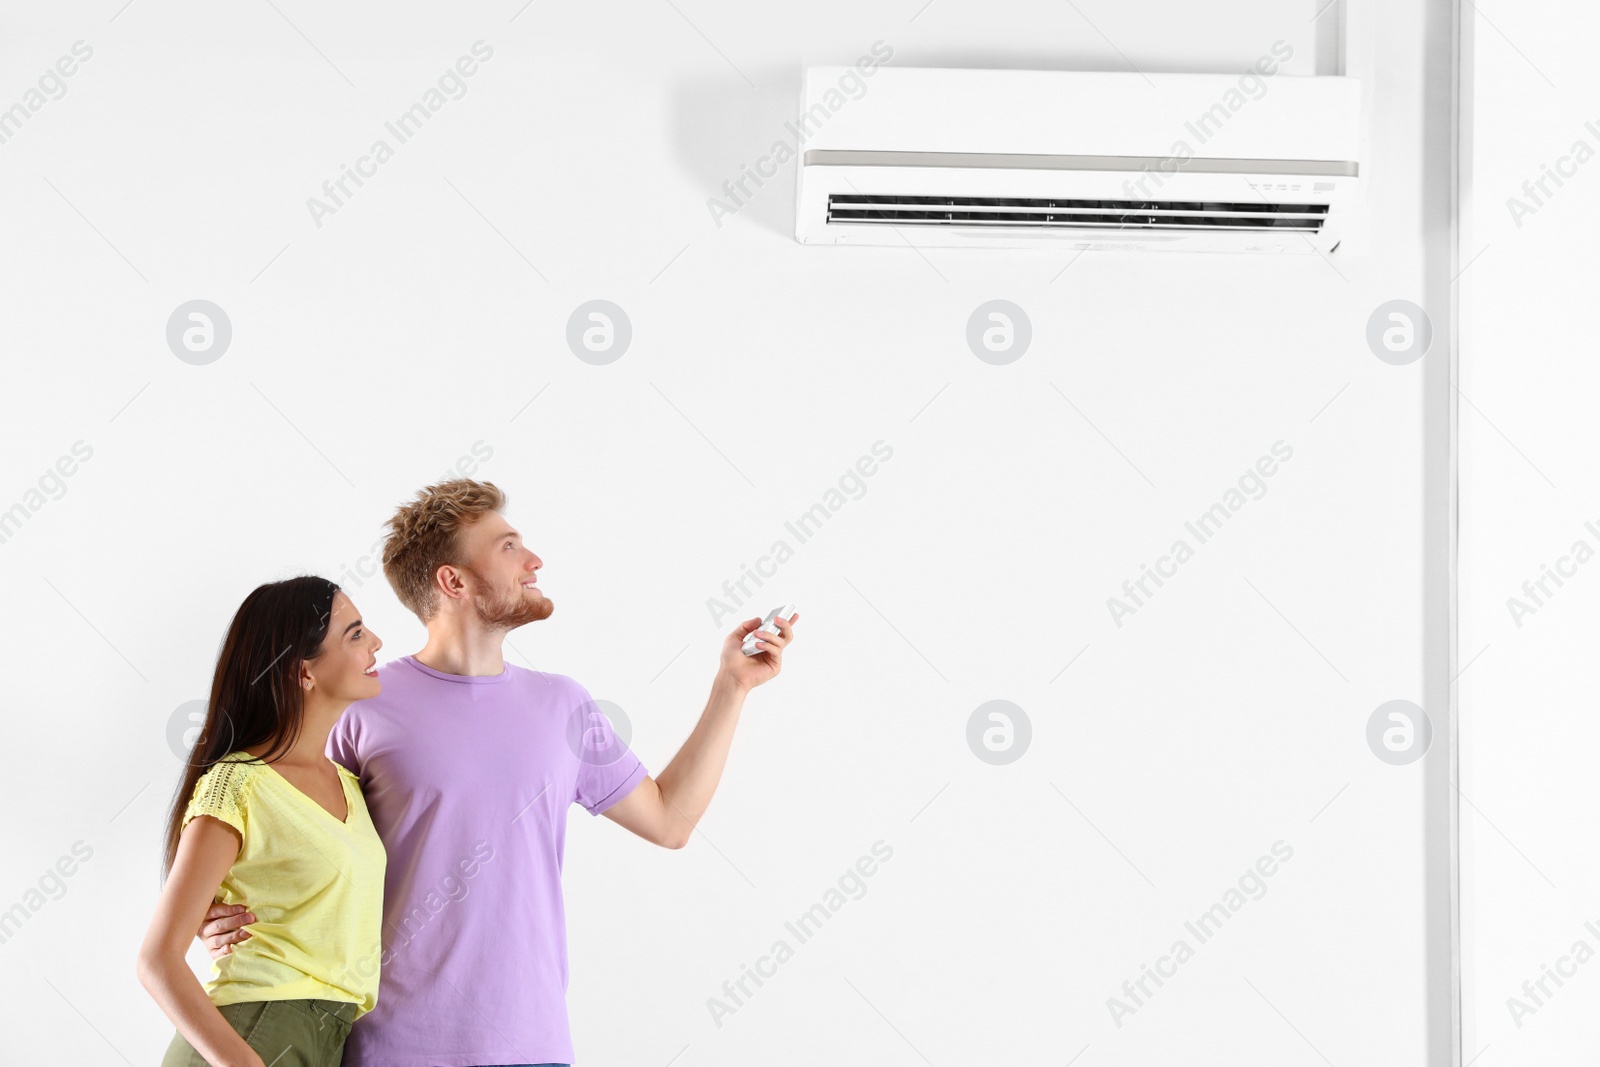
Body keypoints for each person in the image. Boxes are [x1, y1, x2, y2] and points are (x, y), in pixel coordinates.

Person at [192, 479, 797, 1067]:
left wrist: (731, 686)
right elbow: (278, 817)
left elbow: (670, 820)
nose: (534, 560)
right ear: (452, 580)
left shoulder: (564, 706)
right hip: (391, 1049)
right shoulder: (361, 705)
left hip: (532, 1047)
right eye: (508, 546)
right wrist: (209, 909)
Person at [138, 576, 388, 1067]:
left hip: (328, 1037)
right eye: (355, 634)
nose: (376, 641)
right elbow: (157, 960)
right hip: (255, 1032)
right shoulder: (238, 783)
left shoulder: (351, 787)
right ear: (304, 672)